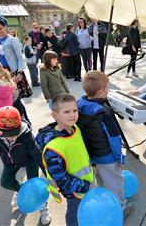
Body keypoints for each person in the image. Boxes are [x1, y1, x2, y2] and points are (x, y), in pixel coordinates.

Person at [76, 71, 135, 219]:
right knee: (115, 184)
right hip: (107, 156)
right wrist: (120, 158)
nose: (108, 90)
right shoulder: (104, 113)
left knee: (101, 182)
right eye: (107, 87)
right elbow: (114, 138)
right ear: (101, 92)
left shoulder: (79, 104)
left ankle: (106, 204)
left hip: (91, 154)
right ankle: (121, 209)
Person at [35, 94, 95, 226]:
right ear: (55, 116)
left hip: (86, 182)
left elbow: (80, 152)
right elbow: (60, 177)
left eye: (75, 110)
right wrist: (85, 186)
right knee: (74, 214)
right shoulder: (53, 148)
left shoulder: (75, 129)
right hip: (74, 191)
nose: (72, 115)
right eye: (66, 111)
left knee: (83, 210)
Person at [0, 14, 33, 99]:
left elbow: (20, 57)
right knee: (8, 98)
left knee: (17, 98)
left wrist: (20, 73)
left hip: (14, 71)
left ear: (5, 27)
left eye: (0, 28)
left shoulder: (13, 39)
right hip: (2, 73)